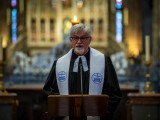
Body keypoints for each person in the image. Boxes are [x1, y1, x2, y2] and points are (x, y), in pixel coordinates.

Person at [43, 23, 122, 120]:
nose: (79, 41)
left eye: (83, 38)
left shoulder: (103, 61)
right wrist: (60, 110)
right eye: (75, 38)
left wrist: (103, 111)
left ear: (90, 40)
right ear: (70, 40)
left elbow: (114, 92)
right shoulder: (59, 63)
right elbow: (49, 91)